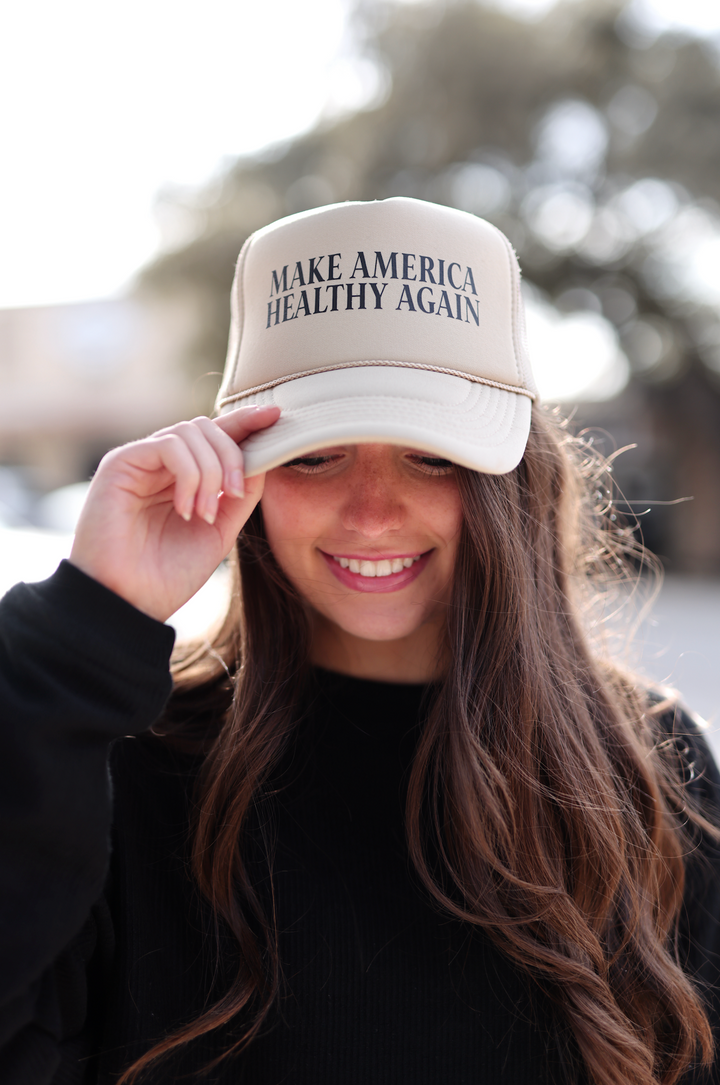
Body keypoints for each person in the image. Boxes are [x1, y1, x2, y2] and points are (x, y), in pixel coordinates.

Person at [1, 197, 719, 1085]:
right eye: (313, 455)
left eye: (431, 455)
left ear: (513, 479)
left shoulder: (648, 765)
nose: (373, 513)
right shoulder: (123, 765)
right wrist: (81, 627)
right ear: (241, 469)